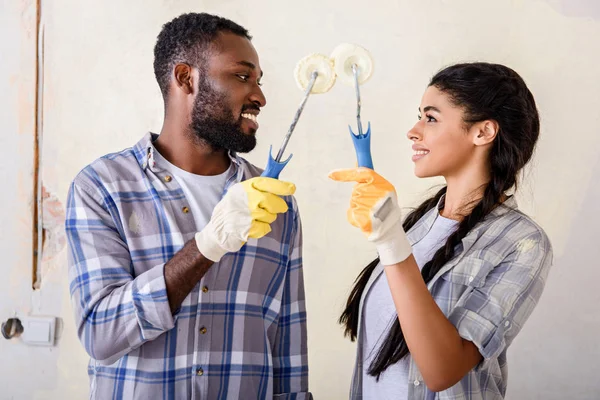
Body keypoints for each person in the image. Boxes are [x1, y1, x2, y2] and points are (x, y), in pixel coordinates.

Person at [66, 12, 311, 399]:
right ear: (186, 78)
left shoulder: (274, 201)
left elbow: (288, 341)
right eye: (243, 76)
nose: (260, 97)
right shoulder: (102, 188)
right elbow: (101, 333)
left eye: (259, 81)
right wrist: (208, 245)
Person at [329, 62, 552, 399]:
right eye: (420, 116)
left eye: (430, 118)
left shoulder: (522, 243)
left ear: (483, 132)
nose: (413, 131)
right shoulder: (418, 224)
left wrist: (392, 245)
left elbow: (442, 371)